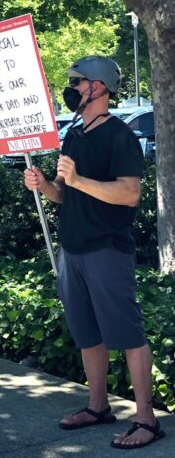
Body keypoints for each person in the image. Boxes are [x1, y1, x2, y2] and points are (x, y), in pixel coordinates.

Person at [23, 56, 163, 450]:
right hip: (73, 248)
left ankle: (147, 420)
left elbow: (129, 193)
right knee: (87, 333)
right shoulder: (75, 135)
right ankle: (98, 406)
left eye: (78, 82)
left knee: (128, 334)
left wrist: (79, 179)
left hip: (107, 248)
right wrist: (45, 185)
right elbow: (64, 195)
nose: (71, 88)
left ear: (98, 87)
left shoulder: (120, 136)